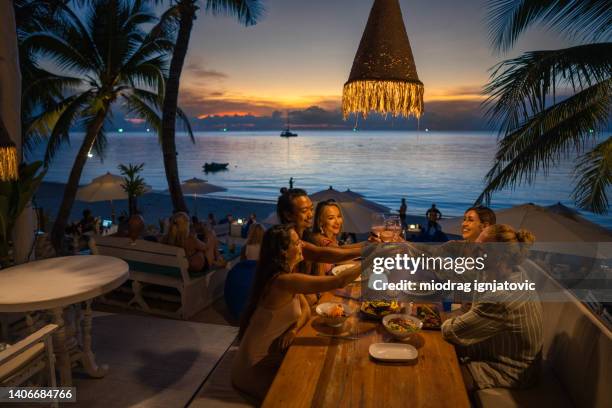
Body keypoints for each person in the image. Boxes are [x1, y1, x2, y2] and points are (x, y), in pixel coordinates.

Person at [231, 224, 361, 402]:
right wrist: (372, 258)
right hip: (253, 369)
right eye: (297, 243)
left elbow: (306, 310)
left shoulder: (286, 276)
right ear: (284, 252)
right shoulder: (282, 282)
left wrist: (293, 329)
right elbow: (338, 281)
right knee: (310, 394)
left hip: (272, 358)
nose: (302, 246)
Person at [442, 224, 542, 392]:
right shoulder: (506, 271)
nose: (474, 251)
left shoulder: (502, 297)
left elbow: (450, 332)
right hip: (490, 348)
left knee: (443, 377)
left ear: (500, 257)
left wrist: (449, 319)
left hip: (509, 369)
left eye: (481, 249)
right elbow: (469, 307)